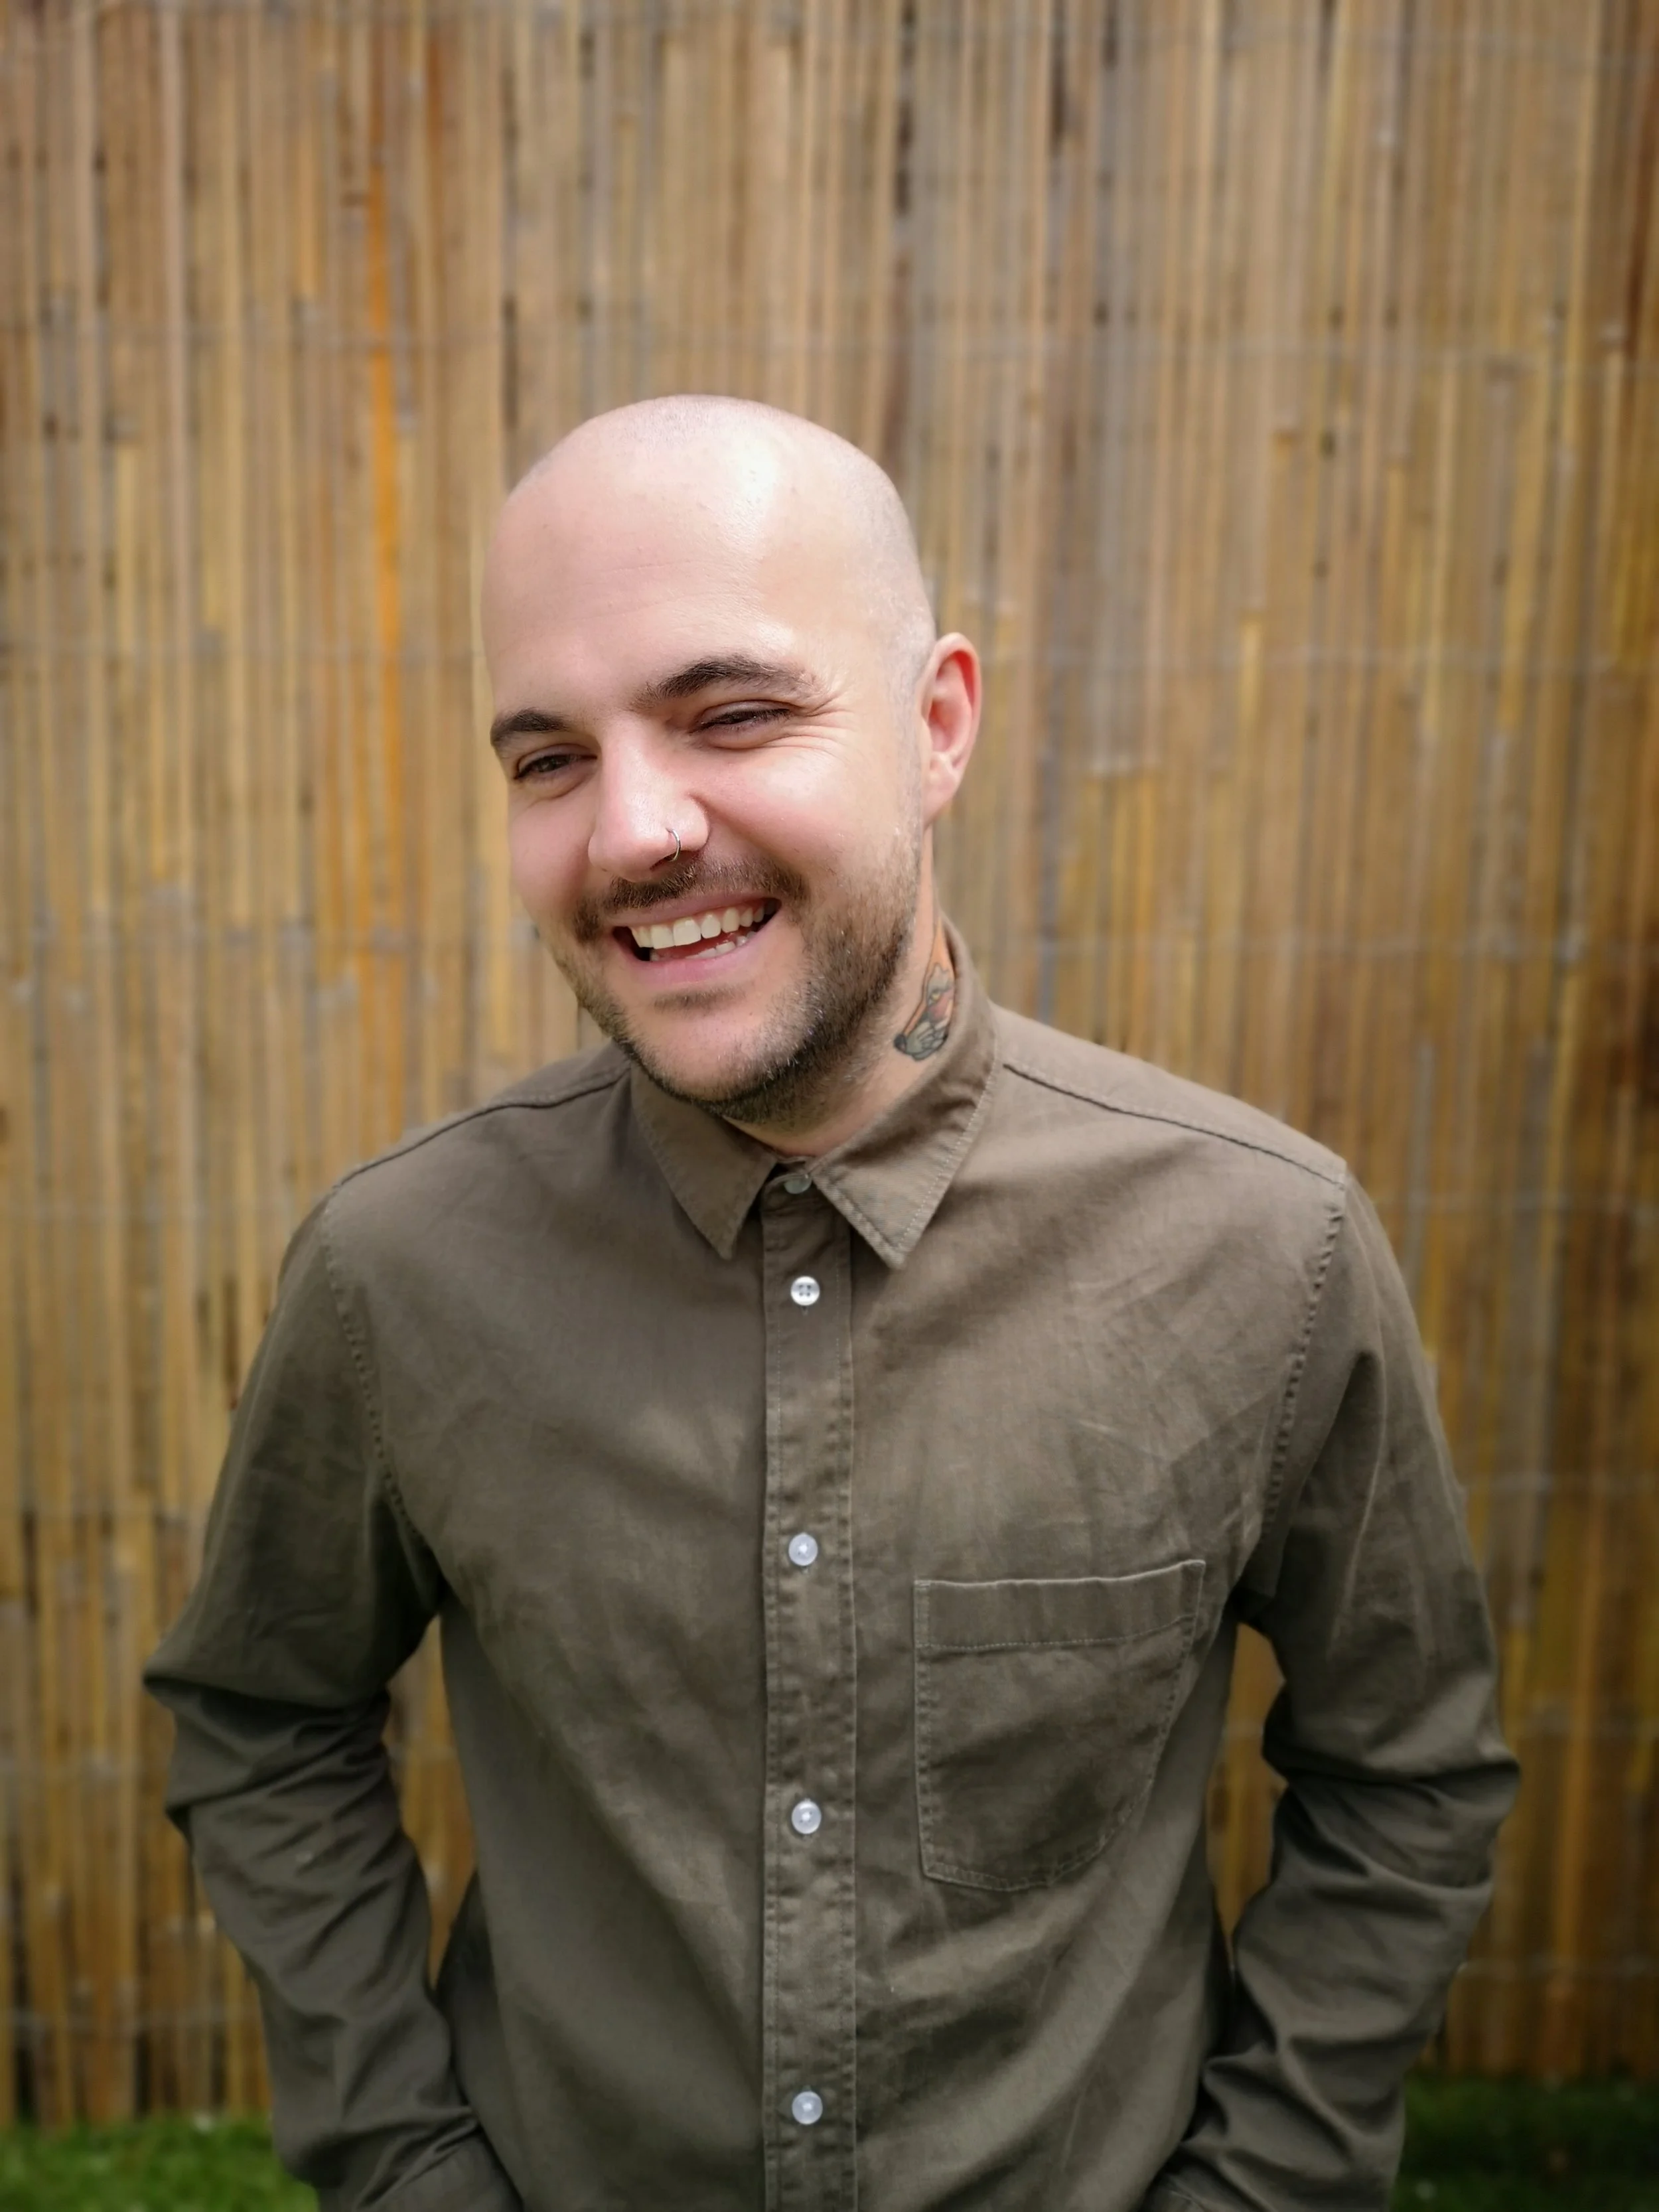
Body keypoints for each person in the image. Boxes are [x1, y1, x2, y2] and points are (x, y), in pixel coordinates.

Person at [146, 396, 1518, 2212]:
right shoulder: (401, 1275)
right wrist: (400, 2165)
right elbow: (261, 1720)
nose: (632, 828)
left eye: (732, 712)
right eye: (547, 756)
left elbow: (1406, 1773)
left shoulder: (1269, 1251)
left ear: (938, 724)